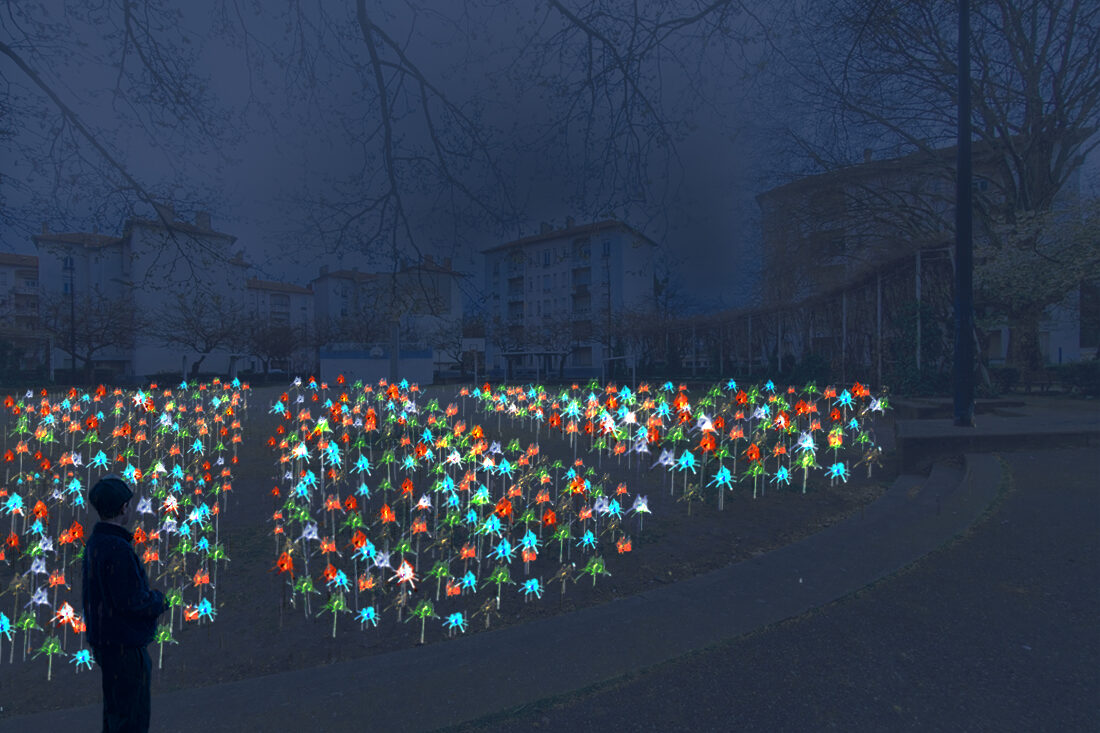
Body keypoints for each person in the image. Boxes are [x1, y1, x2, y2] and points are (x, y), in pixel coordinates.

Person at [82, 475, 167, 733]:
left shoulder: (96, 543)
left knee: (116, 714)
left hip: (105, 642)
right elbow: (131, 601)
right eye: (129, 504)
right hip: (124, 645)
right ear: (123, 509)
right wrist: (158, 601)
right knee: (132, 719)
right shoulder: (118, 549)